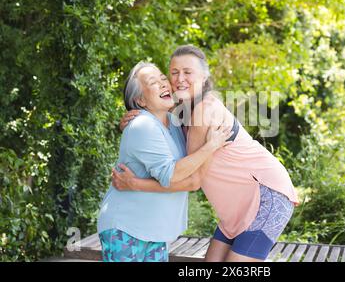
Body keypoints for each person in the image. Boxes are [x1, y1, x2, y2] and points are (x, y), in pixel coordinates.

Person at [116, 46, 299, 262]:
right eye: (174, 72)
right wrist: (134, 120)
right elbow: (156, 128)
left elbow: (192, 181)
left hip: (267, 193)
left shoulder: (204, 109)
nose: (179, 78)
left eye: (187, 72)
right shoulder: (181, 111)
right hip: (236, 207)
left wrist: (135, 184)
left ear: (204, 77)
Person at [97, 61, 232, 262]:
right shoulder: (142, 125)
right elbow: (171, 174)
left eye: (163, 78)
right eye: (153, 82)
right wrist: (211, 146)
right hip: (126, 228)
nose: (163, 84)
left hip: (155, 231)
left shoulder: (174, 123)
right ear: (141, 100)